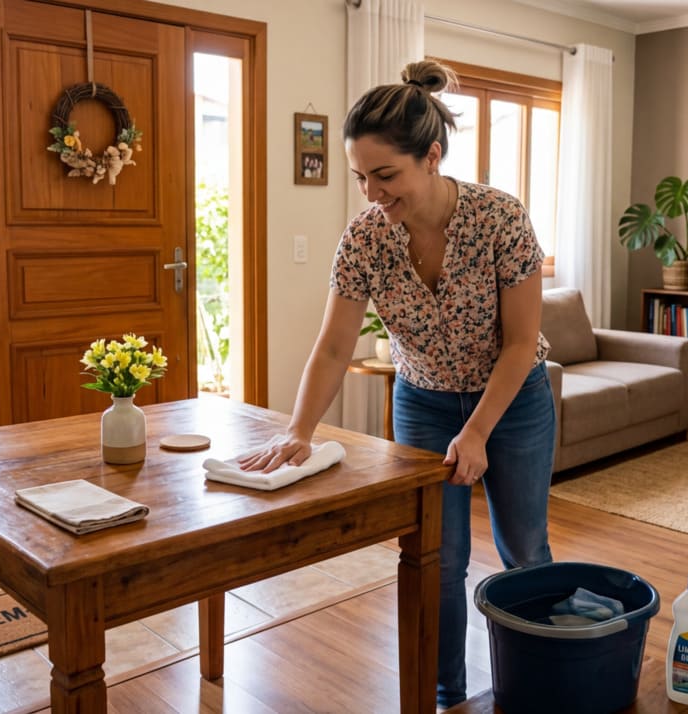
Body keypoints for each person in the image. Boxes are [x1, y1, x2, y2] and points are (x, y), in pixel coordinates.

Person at [238, 59, 556, 708]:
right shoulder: (363, 241)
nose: (372, 194)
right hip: (423, 403)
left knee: (523, 550)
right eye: (361, 178)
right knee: (437, 564)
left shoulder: (500, 218)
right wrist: (298, 431)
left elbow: (523, 342)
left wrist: (477, 432)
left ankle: (540, 685)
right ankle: (443, 694)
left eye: (385, 176)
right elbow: (332, 347)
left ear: (431, 157)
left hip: (514, 402)